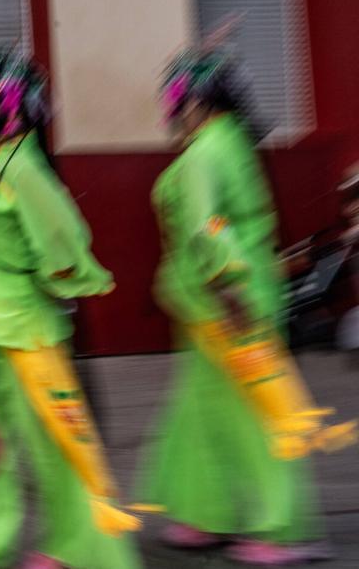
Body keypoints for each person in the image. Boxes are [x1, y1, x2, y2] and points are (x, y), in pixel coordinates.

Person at [0, 40, 144, 569]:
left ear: (12, 113)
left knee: (57, 445)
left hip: (22, 332)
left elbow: (63, 241)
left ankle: (81, 548)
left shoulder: (23, 170)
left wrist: (53, 290)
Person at [139, 35, 355, 565]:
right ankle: (210, 514)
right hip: (214, 309)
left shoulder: (208, 151)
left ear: (194, 103)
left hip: (226, 307)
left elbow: (210, 227)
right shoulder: (227, 140)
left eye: (177, 99)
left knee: (251, 418)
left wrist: (227, 286)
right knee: (205, 414)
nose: (173, 112)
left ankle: (283, 530)